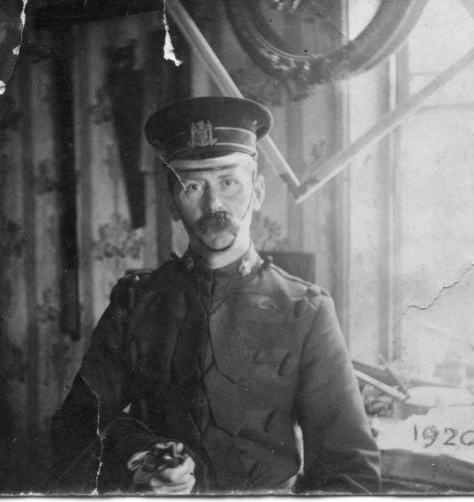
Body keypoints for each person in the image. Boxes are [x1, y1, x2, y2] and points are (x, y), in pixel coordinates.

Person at [50, 96, 380, 494]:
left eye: (229, 182)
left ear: (257, 192)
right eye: (193, 186)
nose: (214, 204)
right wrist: (140, 459)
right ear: (173, 202)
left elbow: (350, 473)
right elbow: (76, 423)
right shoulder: (136, 303)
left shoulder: (306, 311)